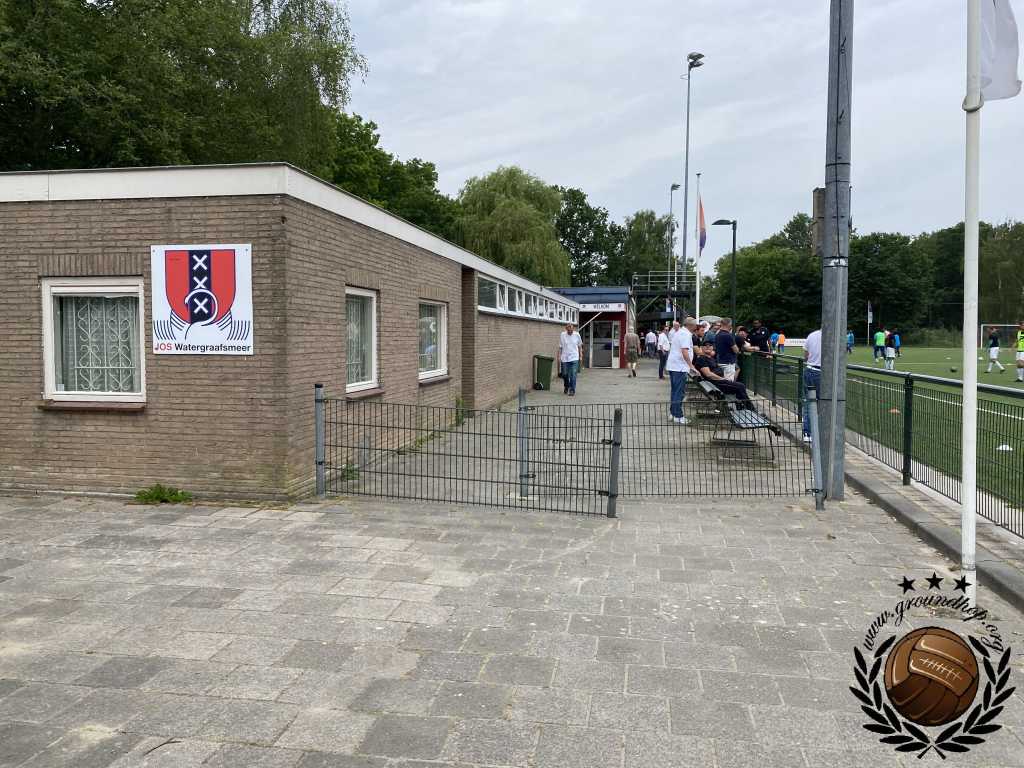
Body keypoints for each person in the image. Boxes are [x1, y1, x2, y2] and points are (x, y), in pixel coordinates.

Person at [692, 342, 754, 408]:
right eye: (705, 345)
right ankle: (749, 408)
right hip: (715, 384)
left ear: (712, 348)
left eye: (710, 345)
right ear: (701, 348)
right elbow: (708, 374)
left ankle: (742, 405)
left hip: (719, 382)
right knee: (740, 386)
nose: (708, 346)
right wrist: (723, 379)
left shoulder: (711, 358)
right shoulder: (701, 359)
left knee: (739, 386)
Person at [666, 318, 694, 424]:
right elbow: (684, 351)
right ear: (690, 325)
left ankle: (673, 413)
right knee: (679, 392)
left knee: (675, 391)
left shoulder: (679, 332)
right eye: (695, 325)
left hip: (674, 366)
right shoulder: (685, 334)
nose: (696, 327)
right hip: (680, 367)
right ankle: (678, 415)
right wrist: (691, 365)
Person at [803, 328, 822, 443]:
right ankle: (820, 431)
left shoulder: (811, 335)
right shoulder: (833, 337)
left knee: (809, 402)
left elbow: (805, 356)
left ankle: (807, 432)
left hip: (809, 370)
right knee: (824, 402)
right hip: (822, 372)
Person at [556, 322, 583, 396]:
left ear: (573, 329)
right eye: (568, 330)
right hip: (564, 358)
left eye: (571, 330)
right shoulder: (562, 335)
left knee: (573, 374)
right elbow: (560, 347)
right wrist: (559, 356)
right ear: (566, 329)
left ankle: (572, 390)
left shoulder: (577, 335)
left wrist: (581, 355)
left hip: (574, 357)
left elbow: (580, 346)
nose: (570, 331)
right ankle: (566, 386)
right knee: (565, 374)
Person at [714, 317, 740, 381]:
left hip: (720, 361)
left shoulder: (717, 334)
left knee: (722, 381)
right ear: (729, 324)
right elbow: (736, 350)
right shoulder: (728, 335)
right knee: (728, 382)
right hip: (728, 363)